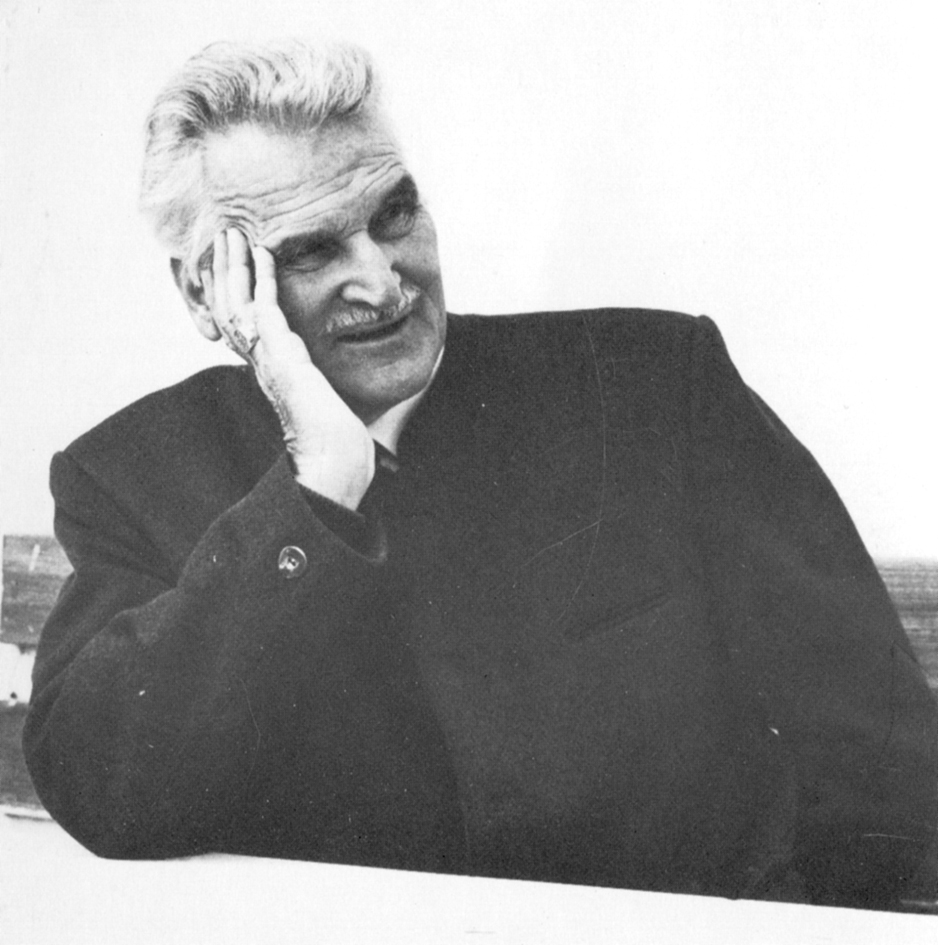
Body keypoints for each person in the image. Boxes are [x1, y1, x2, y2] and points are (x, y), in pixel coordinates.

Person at [23, 39, 937, 910]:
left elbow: (882, 759)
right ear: (207, 291)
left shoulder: (656, 385)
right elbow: (105, 789)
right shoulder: (132, 476)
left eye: (394, 215)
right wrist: (315, 489)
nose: (383, 281)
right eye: (309, 251)